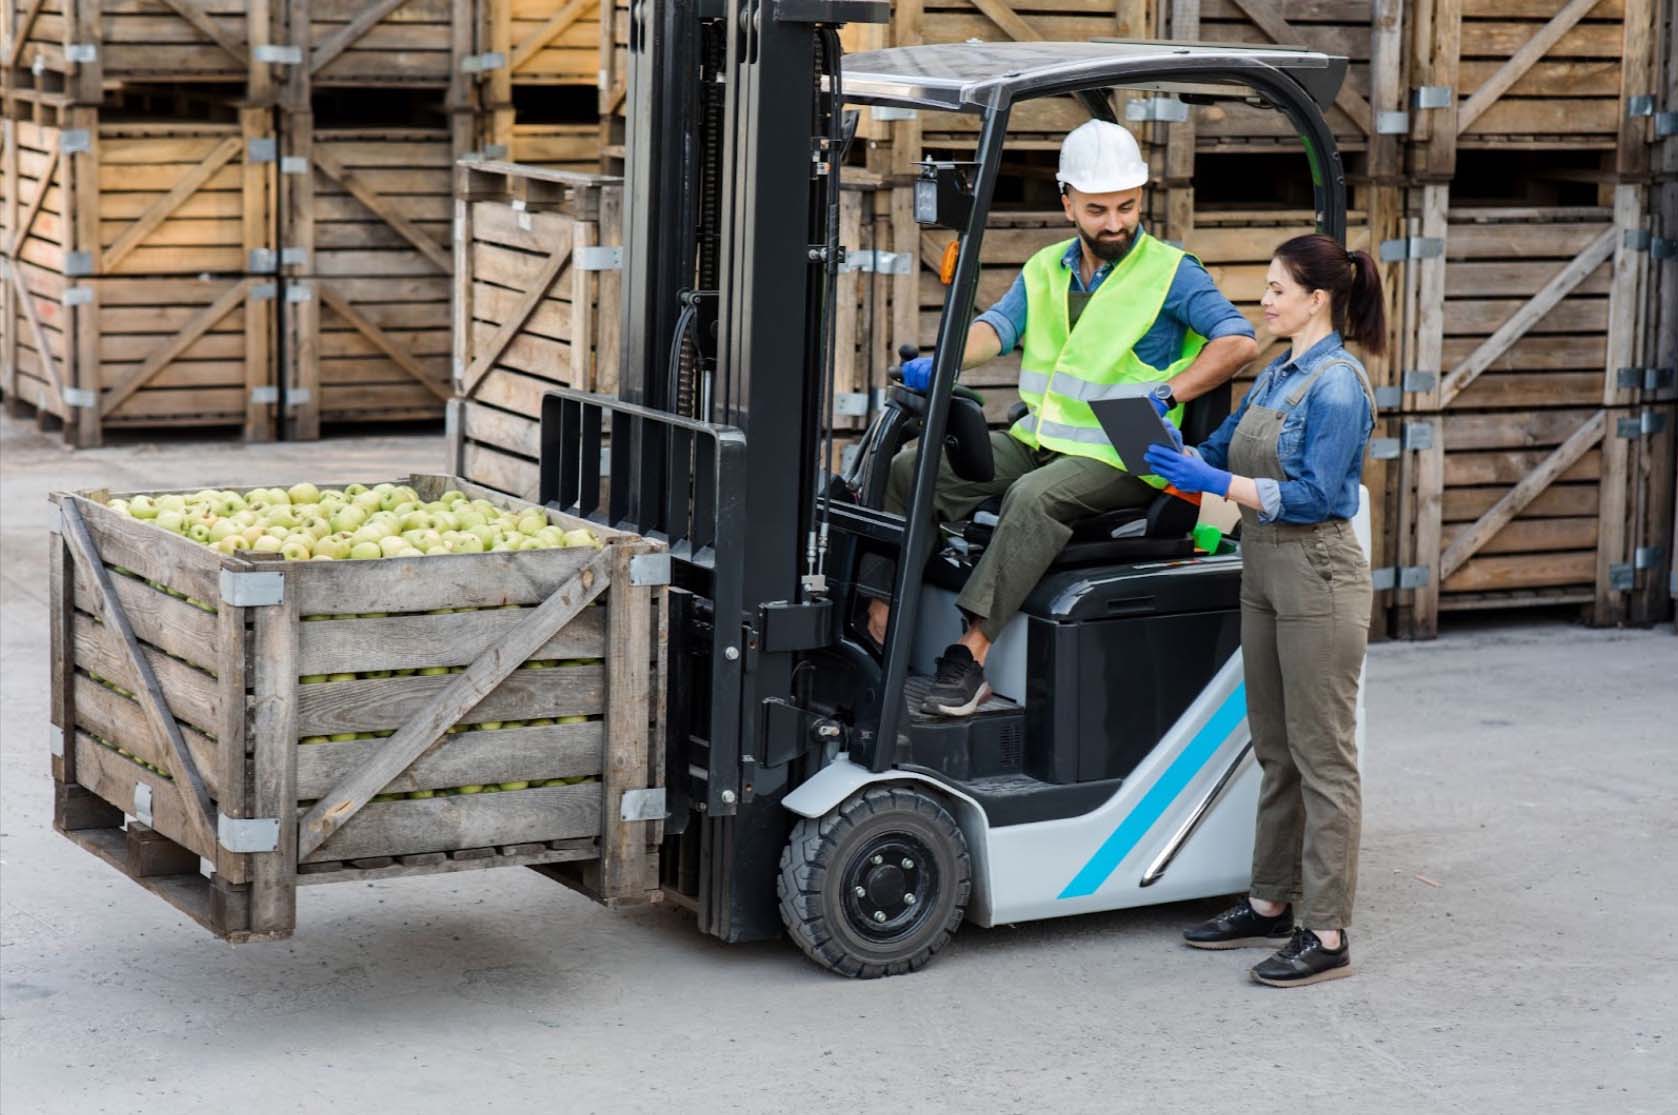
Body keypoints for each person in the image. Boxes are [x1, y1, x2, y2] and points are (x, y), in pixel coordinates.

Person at [868, 119, 1258, 717]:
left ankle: (970, 657)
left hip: (1130, 451)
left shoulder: (1172, 272)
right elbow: (997, 329)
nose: (1115, 223)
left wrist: (1167, 394)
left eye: (1127, 207)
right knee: (910, 467)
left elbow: (1238, 341)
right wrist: (942, 363)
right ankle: (878, 622)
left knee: (1032, 498)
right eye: (1098, 209)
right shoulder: (1045, 268)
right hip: (1042, 436)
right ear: (1067, 202)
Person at [1143, 233, 1382, 988]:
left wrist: (1213, 479)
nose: (1264, 301)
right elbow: (1218, 447)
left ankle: (1328, 930)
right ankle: (1270, 900)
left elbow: (1316, 493)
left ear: (1318, 299)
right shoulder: (1277, 373)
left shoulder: (1339, 384)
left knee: (1325, 758)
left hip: (1317, 572)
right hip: (1264, 568)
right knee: (1277, 749)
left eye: (1277, 289)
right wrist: (1161, 426)